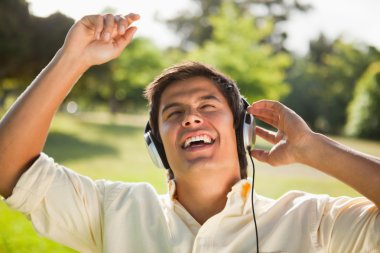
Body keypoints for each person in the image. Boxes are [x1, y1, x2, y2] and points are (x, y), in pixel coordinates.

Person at [0, 13, 379, 253]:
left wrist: (313, 148)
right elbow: (7, 166)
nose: (191, 118)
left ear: (242, 129)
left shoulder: (312, 221)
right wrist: (74, 58)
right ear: (157, 145)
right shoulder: (114, 210)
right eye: (174, 112)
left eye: (208, 107)